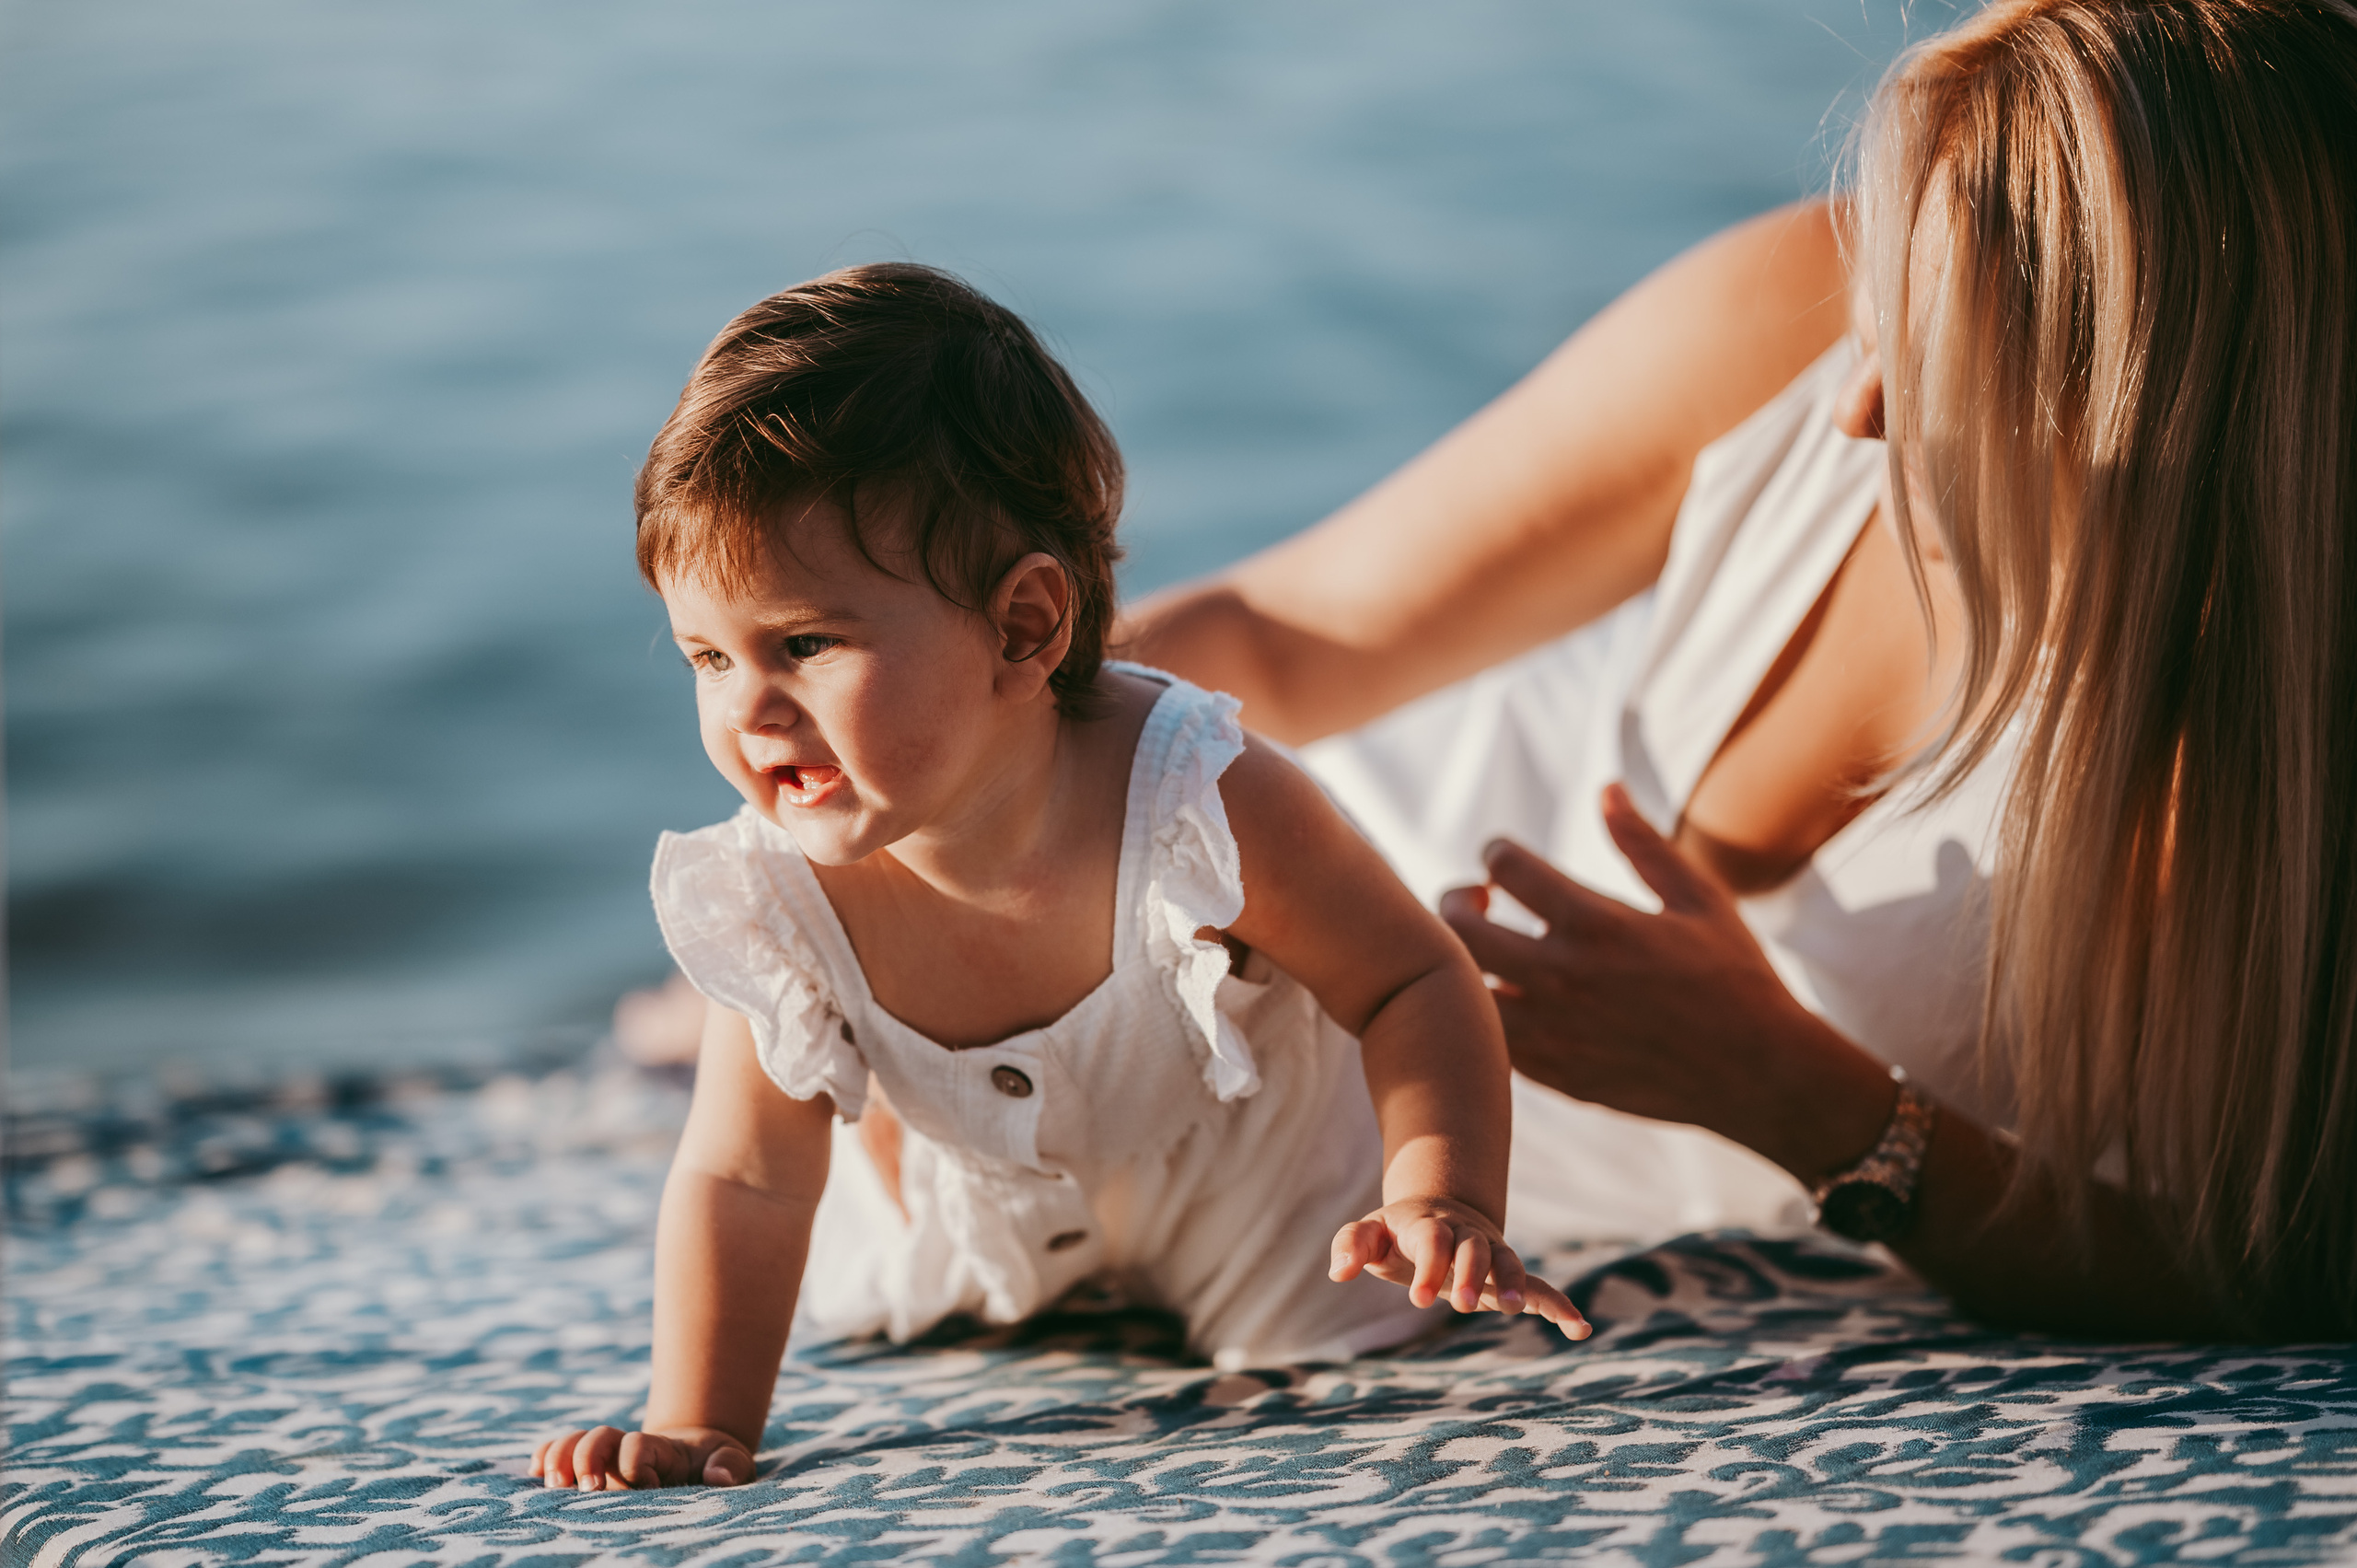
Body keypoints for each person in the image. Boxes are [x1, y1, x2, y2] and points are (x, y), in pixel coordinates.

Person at [1125, 0, 2357, 1342]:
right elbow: (1278, 632)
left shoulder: (2294, 779)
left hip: (1435, 1221)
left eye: (1940, 358)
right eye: (1881, 306)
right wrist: (1012, 761)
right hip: (1292, 899)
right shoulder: (1796, 315)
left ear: (2151, 413)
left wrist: (1794, 1091)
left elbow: (2280, 1267)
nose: (1856, 405)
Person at [531, 265, 1586, 1493]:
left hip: (1255, 1186)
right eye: (708, 657)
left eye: (805, 644)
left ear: (1025, 629)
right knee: (875, 1277)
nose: (749, 712)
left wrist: (1441, 1193)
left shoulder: (1199, 798)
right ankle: (842, 1113)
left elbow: (1411, 980)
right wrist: (698, 1419)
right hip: (981, 1211)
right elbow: (746, 1174)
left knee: (1354, 1354)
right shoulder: (775, 894)